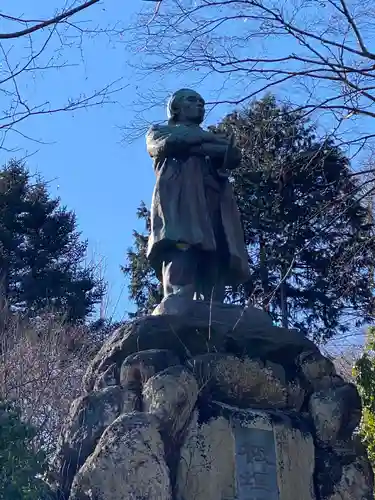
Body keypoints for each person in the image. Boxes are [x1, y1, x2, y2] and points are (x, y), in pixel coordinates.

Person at [146, 88, 250, 303]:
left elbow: (231, 155)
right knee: (182, 243)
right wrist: (204, 142)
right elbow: (163, 146)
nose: (200, 105)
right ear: (175, 107)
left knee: (215, 248)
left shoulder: (210, 137)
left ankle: (213, 302)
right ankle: (177, 295)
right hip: (180, 198)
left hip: (213, 198)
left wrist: (208, 146)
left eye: (202, 102)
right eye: (193, 100)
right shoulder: (159, 130)